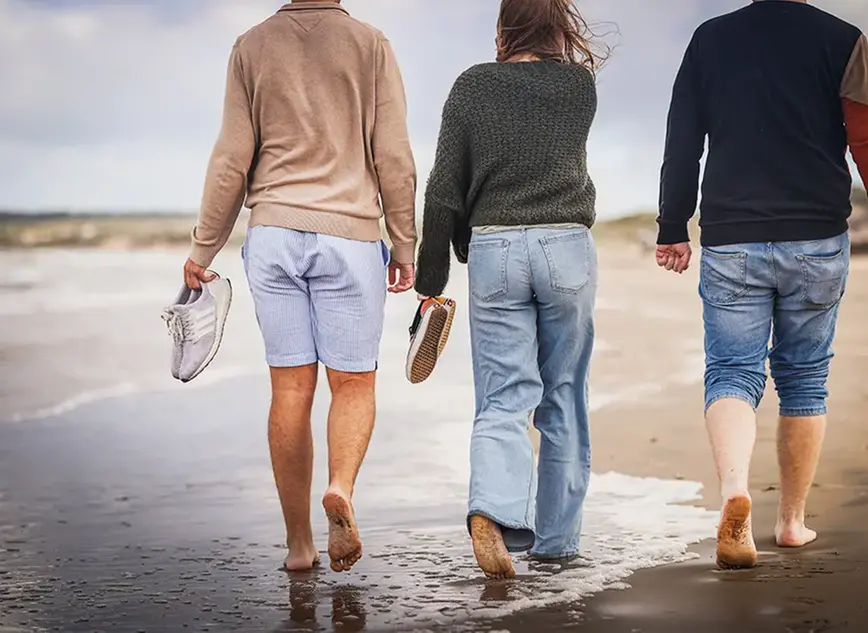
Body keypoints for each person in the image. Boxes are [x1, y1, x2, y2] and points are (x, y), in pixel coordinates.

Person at [656, 0, 868, 569]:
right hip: (817, 238)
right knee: (804, 380)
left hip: (732, 238)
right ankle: (792, 523)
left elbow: (683, 139)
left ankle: (732, 493)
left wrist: (673, 226)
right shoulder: (843, 39)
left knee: (732, 372)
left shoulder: (710, 38)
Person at [183, 0, 417, 573]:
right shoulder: (371, 44)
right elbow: (393, 156)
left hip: (274, 234)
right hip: (349, 237)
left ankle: (298, 545)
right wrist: (405, 242)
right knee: (353, 384)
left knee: (290, 388)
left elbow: (231, 160)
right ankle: (339, 487)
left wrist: (203, 248)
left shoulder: (251, 46)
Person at [414, 0, 608, 579]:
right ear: (558, 26)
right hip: (566, 248)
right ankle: (556, 544)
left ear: (503, 28)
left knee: (504, 399)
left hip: (495, 250)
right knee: (564, 395)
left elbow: (444, 189)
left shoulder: (472, 87)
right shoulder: (580, 87)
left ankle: (491, 512)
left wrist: (431, 281)